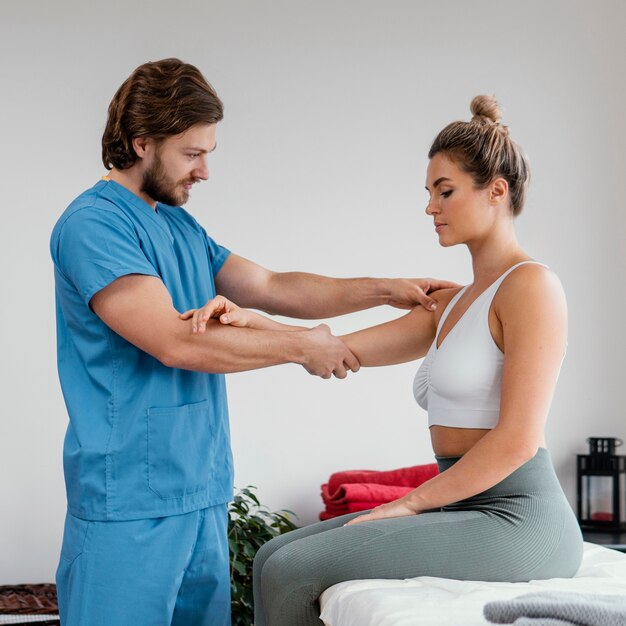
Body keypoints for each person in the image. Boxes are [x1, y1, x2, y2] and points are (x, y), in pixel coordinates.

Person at [49, 57, 456, 626]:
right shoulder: (95, 226)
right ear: (142, 142)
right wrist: (301, 346)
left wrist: (387, 289)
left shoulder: (179, 225)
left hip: (201, 493)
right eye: (193, 154)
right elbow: (175, 343)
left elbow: (270, 286)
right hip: (129, 505)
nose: (205, 171)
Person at [191, 94, 584, 626]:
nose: (430, 207)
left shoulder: (532, 287)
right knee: (269, 559)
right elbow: (340, 350)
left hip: (521, 520)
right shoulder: (448, 304)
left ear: (497, 191)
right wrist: (247, 318)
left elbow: (516, 440)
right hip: (464, 507)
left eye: (444, 192)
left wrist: (408, 503)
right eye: (428, 193)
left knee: (292, 571)